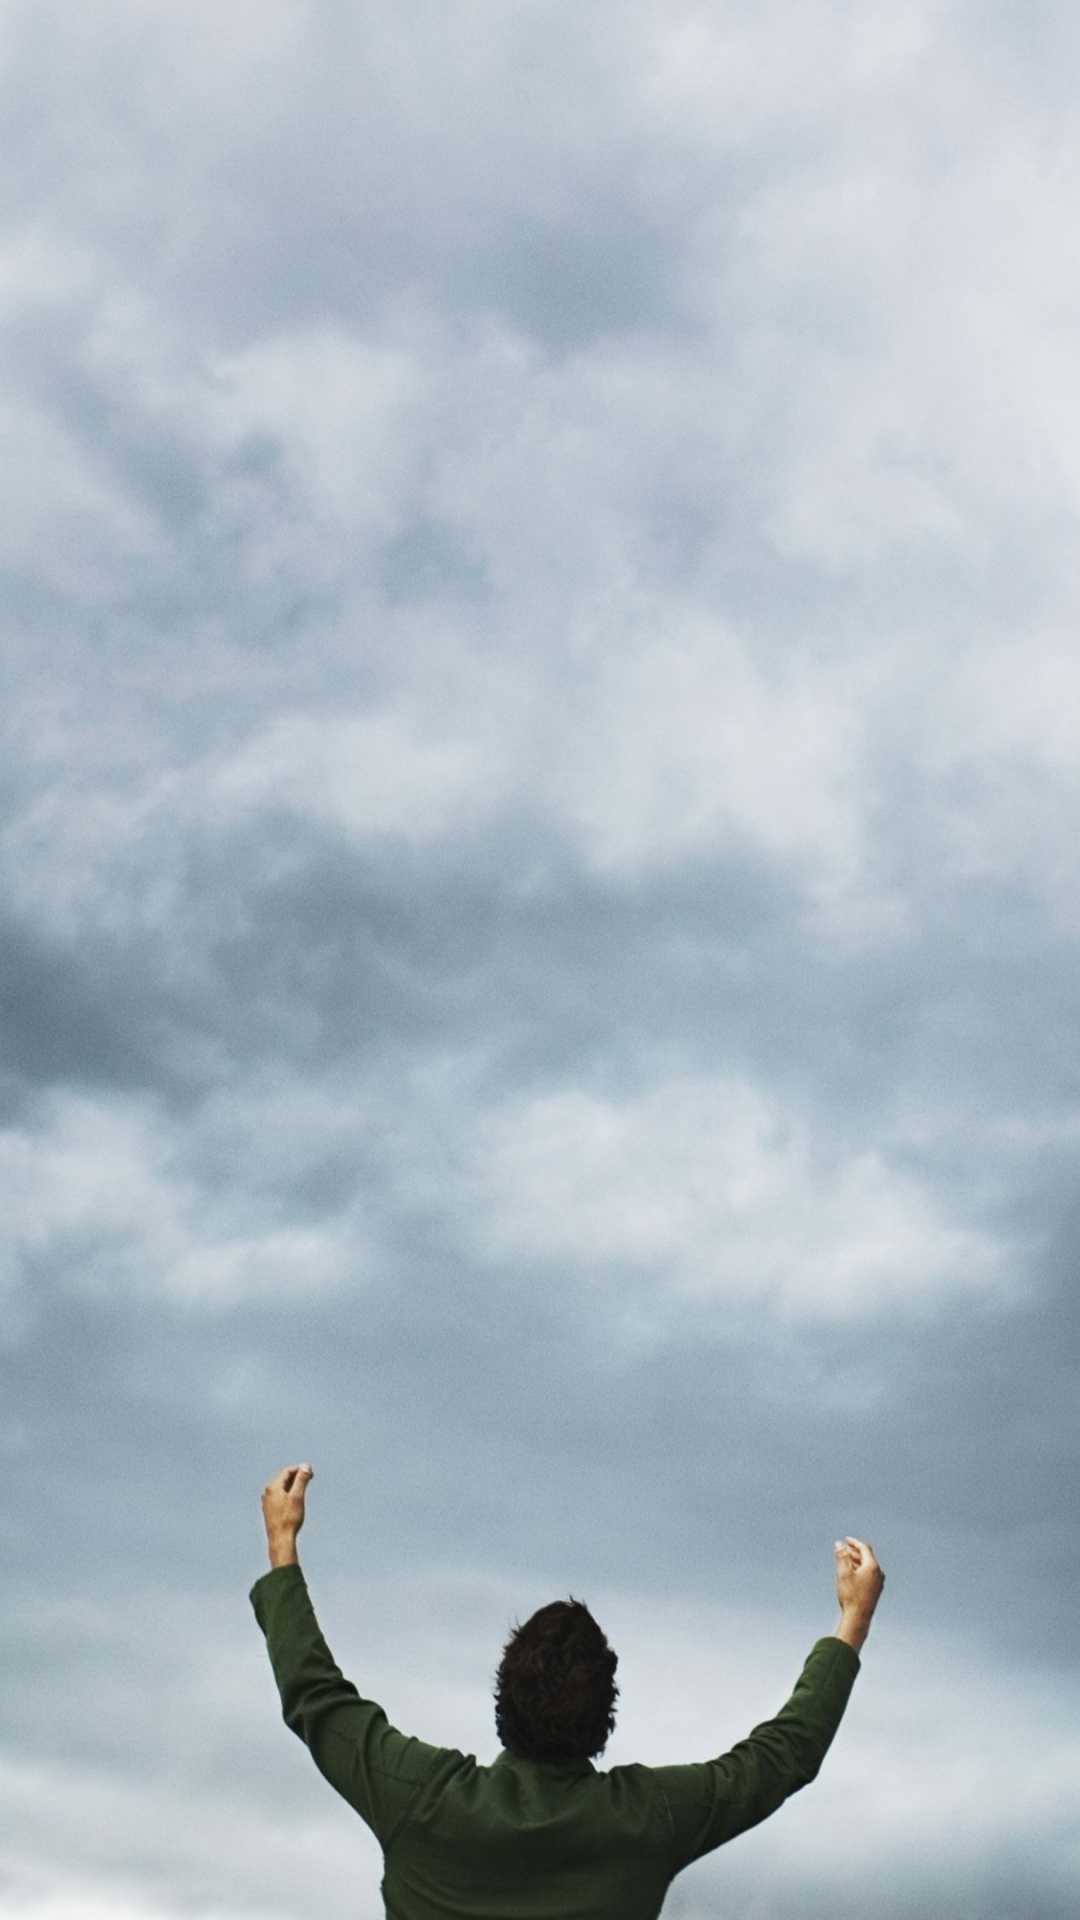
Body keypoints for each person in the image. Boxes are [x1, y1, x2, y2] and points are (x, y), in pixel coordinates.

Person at [252, 1463, 884, 1920]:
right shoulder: (647, 1819)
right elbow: (781, 1758)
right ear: (604, 1715)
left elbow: (315, 1696)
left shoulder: (421, 1799)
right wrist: (851, 1621)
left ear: (503, 1698)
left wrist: (283, 1546)